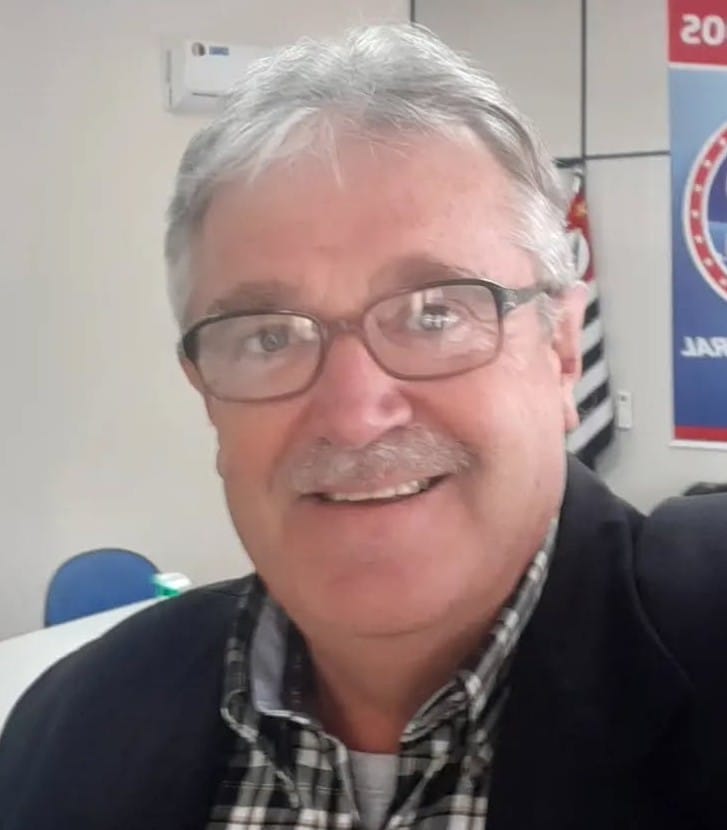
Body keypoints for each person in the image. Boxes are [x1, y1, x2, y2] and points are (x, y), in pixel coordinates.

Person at [1, 23, 726, 830]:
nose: (352, 416)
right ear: (207, 395)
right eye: (268, 337)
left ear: (560, 351)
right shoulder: (67, 733)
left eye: (433, 314)